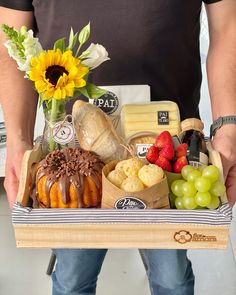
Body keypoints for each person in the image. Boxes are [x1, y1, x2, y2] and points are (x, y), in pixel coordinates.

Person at [0, 1, 236, 295]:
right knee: (73, 277)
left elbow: (228, 27)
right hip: (72, 151)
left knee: (172, 279)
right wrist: (18, 138)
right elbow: (12, 38)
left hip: (168, 151)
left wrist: (228, 127)